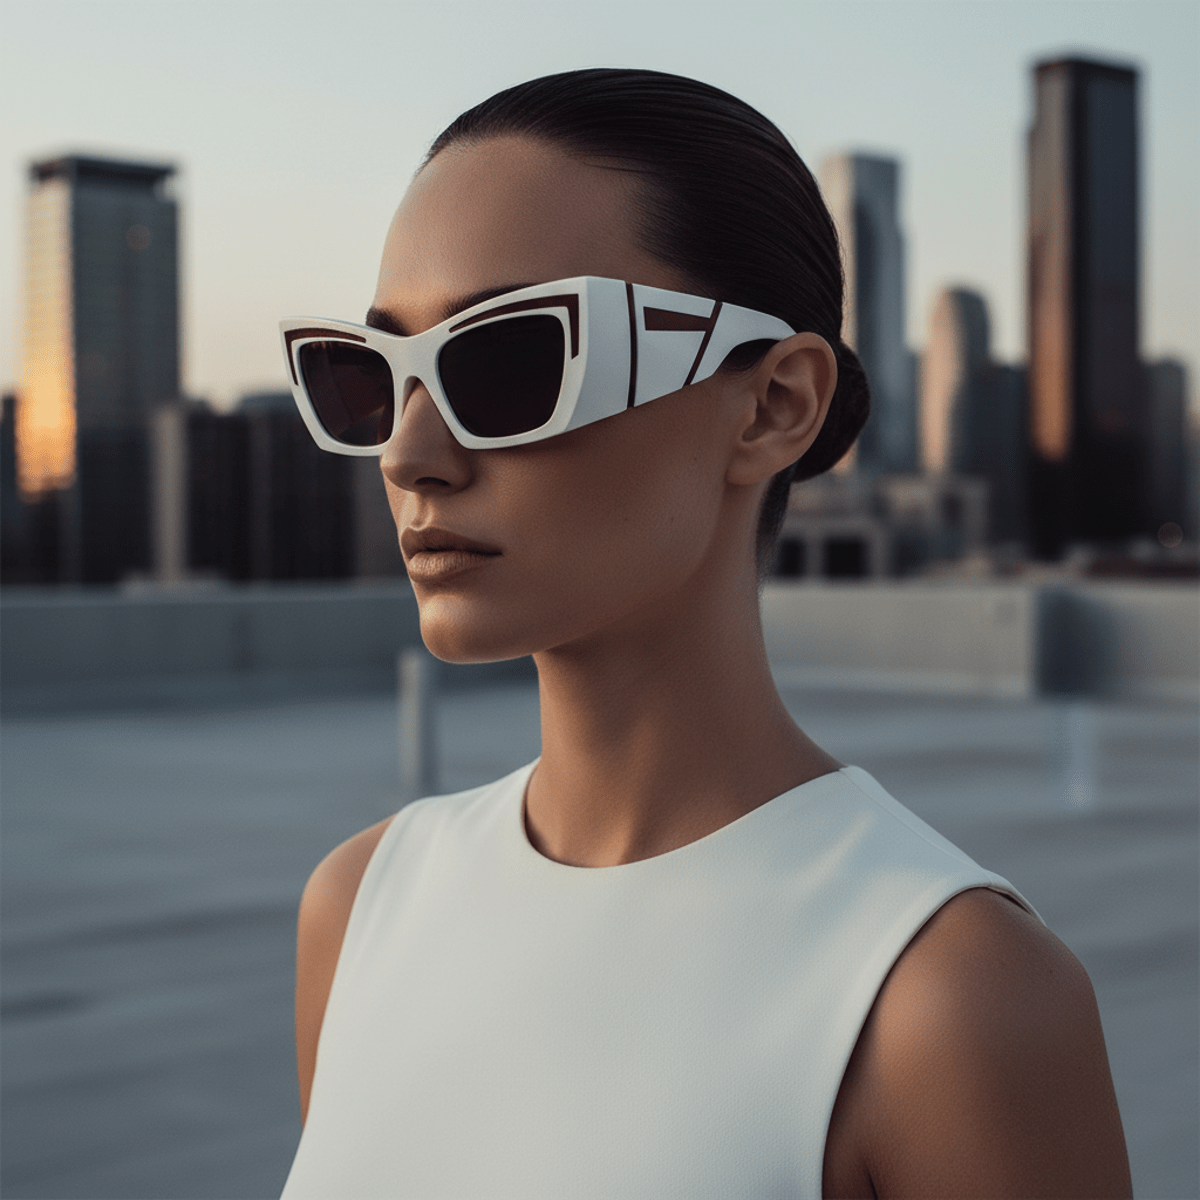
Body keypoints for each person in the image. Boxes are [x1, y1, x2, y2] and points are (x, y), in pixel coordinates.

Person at [277, 69, 1132, 1199]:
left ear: (775, 404)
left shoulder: (952, 1001)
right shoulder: (358, 909)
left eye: (515, 358)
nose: (408, 455)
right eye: (370, 376)